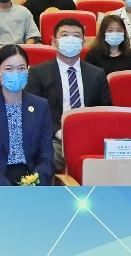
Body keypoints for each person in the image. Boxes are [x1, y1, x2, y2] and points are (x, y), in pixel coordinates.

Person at [25, 17, 113, 171]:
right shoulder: (38, 73)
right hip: (55, 139)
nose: (71, 39)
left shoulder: (97, 74)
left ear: (83, 42)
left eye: (76, 36)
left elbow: (106, 111)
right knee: (45, 159)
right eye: (65, 35)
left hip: (91, 138)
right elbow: (33, 112)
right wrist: (60, 132)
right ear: (54, 42)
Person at [0, 45, 54, 186]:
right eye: (9, 69)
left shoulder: (41, 105)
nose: (16, 73)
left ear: (28, 70)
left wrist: (32, 183)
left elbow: (46, 156)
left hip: (31, 180)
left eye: (21, 68)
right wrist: (5, 188)